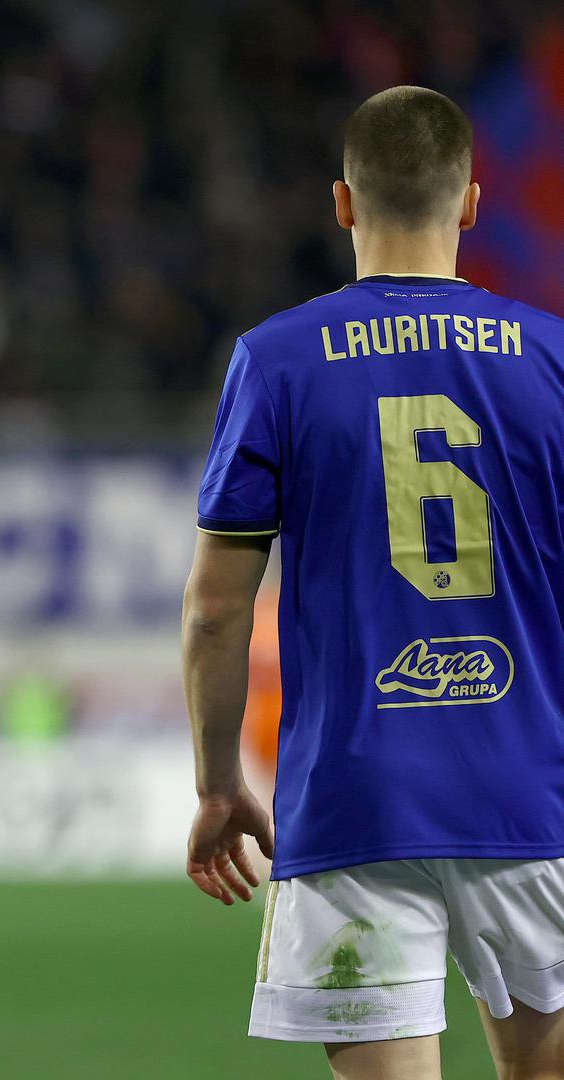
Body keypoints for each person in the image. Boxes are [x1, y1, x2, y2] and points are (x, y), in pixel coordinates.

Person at [183, 86, 564, 1079]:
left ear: (342, 203)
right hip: (530, 794)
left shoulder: (275, 361)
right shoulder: (552, 359)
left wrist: (218, 785)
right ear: (470, 202)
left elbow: (217, 610)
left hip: (352, 800)